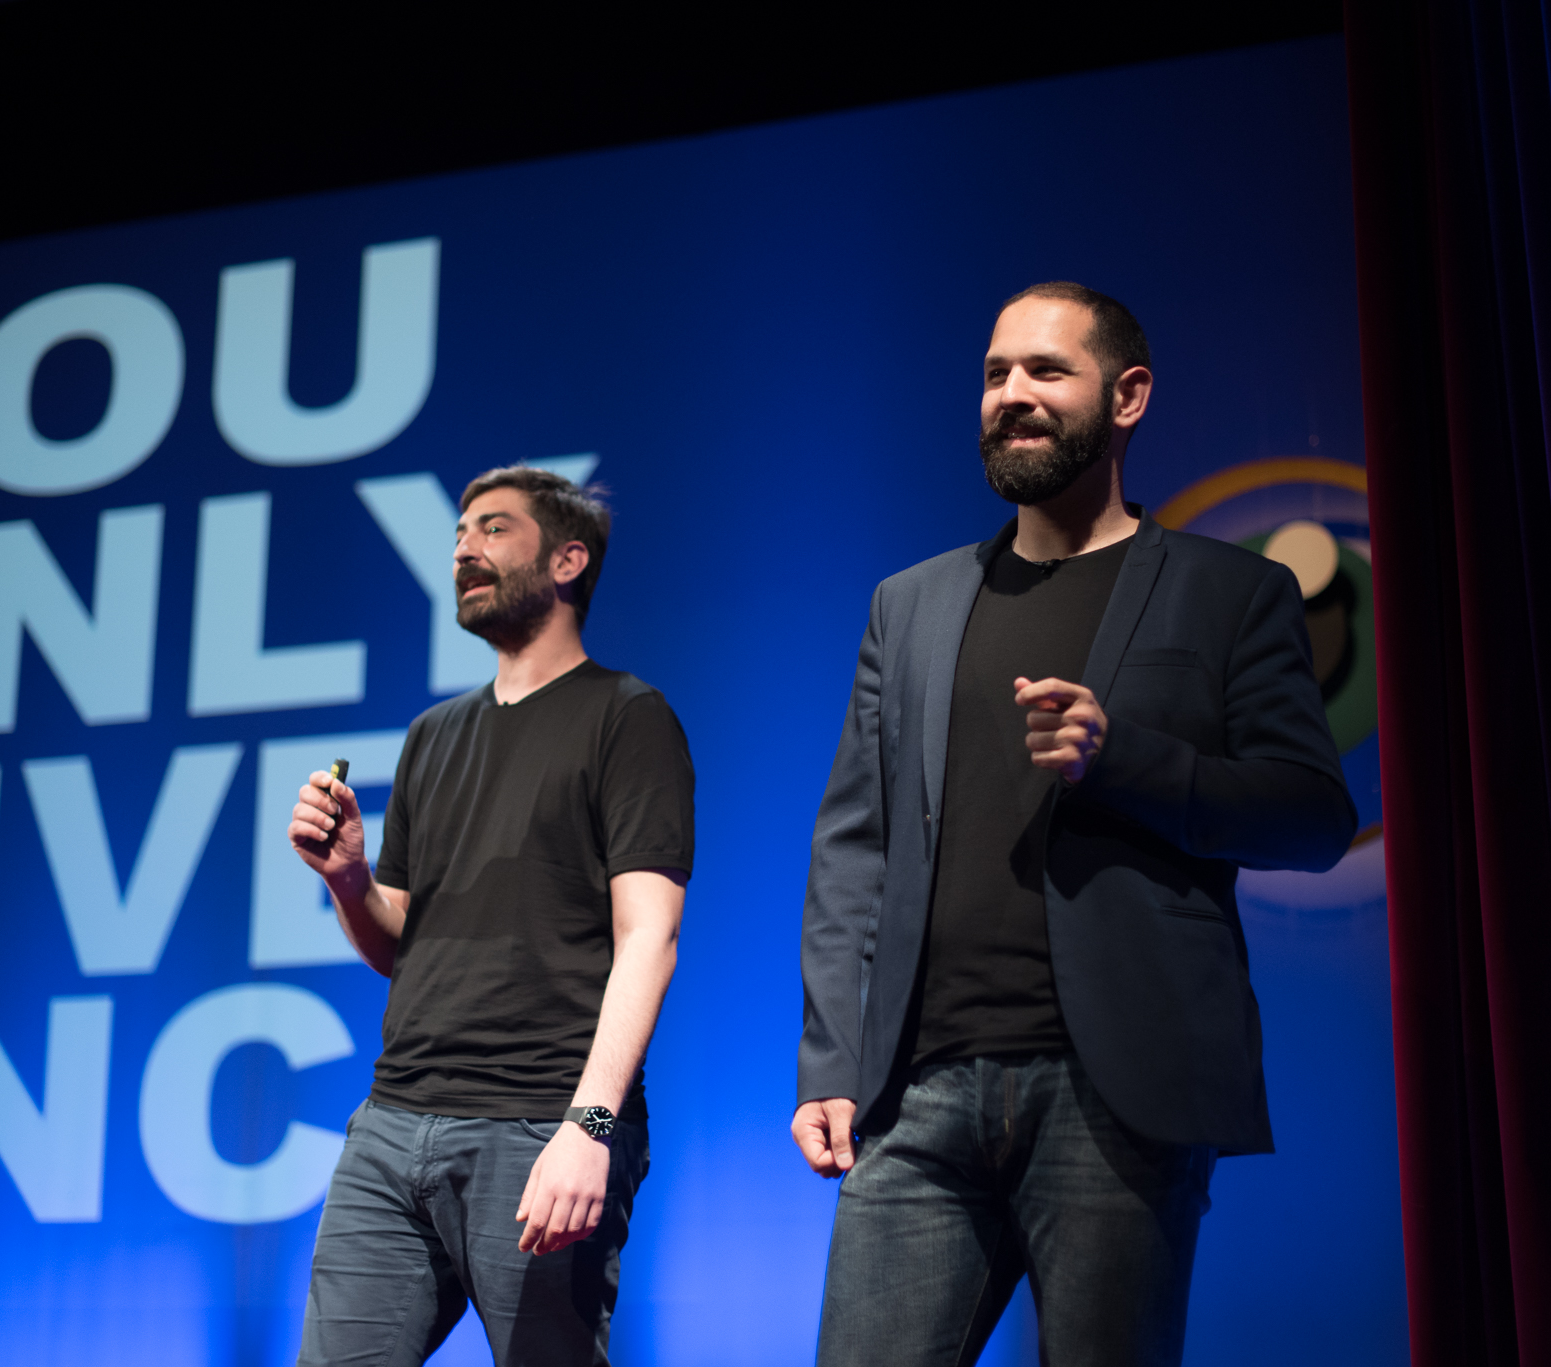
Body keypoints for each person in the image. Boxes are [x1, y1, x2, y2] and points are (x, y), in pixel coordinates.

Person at [792, 283, 1356, 1366]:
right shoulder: (909, 603)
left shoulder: (1229, 593)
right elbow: (853, 849)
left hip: (1117, 1095)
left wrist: (1125, 758)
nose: (1012, 393)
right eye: (995, 373)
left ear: (1127, 396)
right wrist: (831, 1058)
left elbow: (1310, 816)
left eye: (1046, 370)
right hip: (918, 1092)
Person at [288, 466, 694, 1367]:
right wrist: (349, 879)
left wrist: (589, 1126)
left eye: (494, 528)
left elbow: (650, 937)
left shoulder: (627, 718)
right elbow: (399, 945)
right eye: (460, 533)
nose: (465, 548)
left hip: (540, 1123)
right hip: (394, 1122)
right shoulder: (433, 735)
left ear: (567, 560)